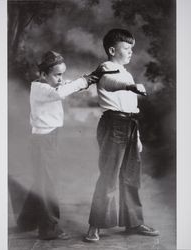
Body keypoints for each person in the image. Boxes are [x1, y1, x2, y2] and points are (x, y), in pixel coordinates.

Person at [85, 29, 159, 242]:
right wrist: (130, 86)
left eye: (132, 49)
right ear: (111, 50)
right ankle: (95, 225)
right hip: (113, 124)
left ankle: (133, 222)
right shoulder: (107, 68)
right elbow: (108, 83)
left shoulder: (126, 72)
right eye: (126, 48)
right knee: (108, 176)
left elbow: (131, 107)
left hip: (130, 124)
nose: (131, 52)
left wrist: (137, 138)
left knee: (131, 176)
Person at [17, 50, 98, 240]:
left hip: (48, 137)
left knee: (42, 181)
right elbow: (61, 92)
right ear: (43, 74)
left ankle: (26, 222)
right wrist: (84, 82)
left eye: (63, 74)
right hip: (43, 140)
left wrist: (83, 80)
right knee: (48, 184)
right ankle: (48, 229)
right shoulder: (40, 89)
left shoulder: (48, 86)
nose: (61, 79)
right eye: (58, 75)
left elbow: (65, 86)